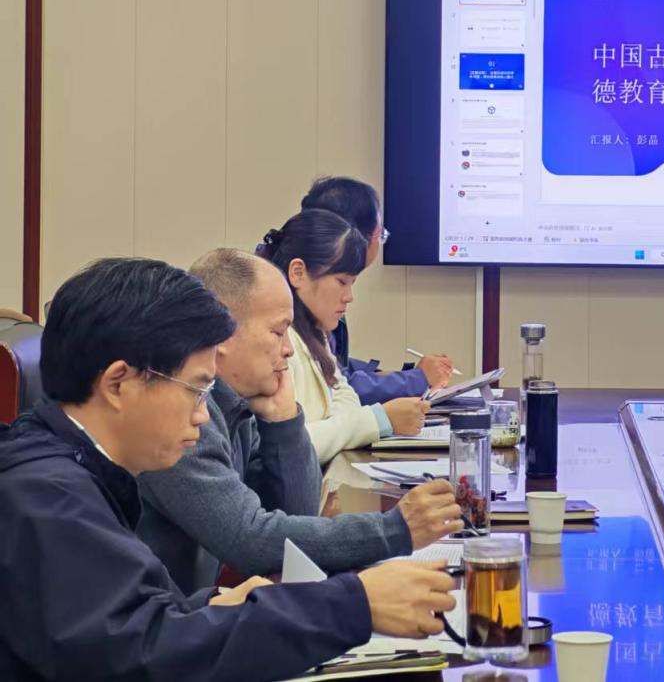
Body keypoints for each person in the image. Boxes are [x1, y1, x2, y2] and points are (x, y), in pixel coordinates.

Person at [0, 258, 456, 682]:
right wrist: (352, 606)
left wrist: (212, 604)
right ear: (118, 384)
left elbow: (130, 621)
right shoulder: (48, 500)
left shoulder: (81, 474)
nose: (203, 415)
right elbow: (145, 656)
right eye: (196, 391)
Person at [136, 248, 461, 593]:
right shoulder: (182, 415)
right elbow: (251, 539)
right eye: (278, 332)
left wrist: (283, 420)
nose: (289, 349)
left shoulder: (237, 404)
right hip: (169, 619)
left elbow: (294, 520)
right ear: (223, 335)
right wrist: (395, 529)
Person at [257, 209, 431, 462]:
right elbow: (295, 445)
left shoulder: (314, 332)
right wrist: (376, 420)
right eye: (341, 282)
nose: (349, 297)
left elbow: (344, 394)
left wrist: (340, 427)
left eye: (352, 283)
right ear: (298, 272)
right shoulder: (280, 342)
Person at [301, 176, 454, 403]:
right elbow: (331, 386)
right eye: (380, 234)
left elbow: (334, 365)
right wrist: (415, 380)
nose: (349, 297)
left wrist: (389, 375)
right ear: (353, 235)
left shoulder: (310, 279)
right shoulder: (293, 296)